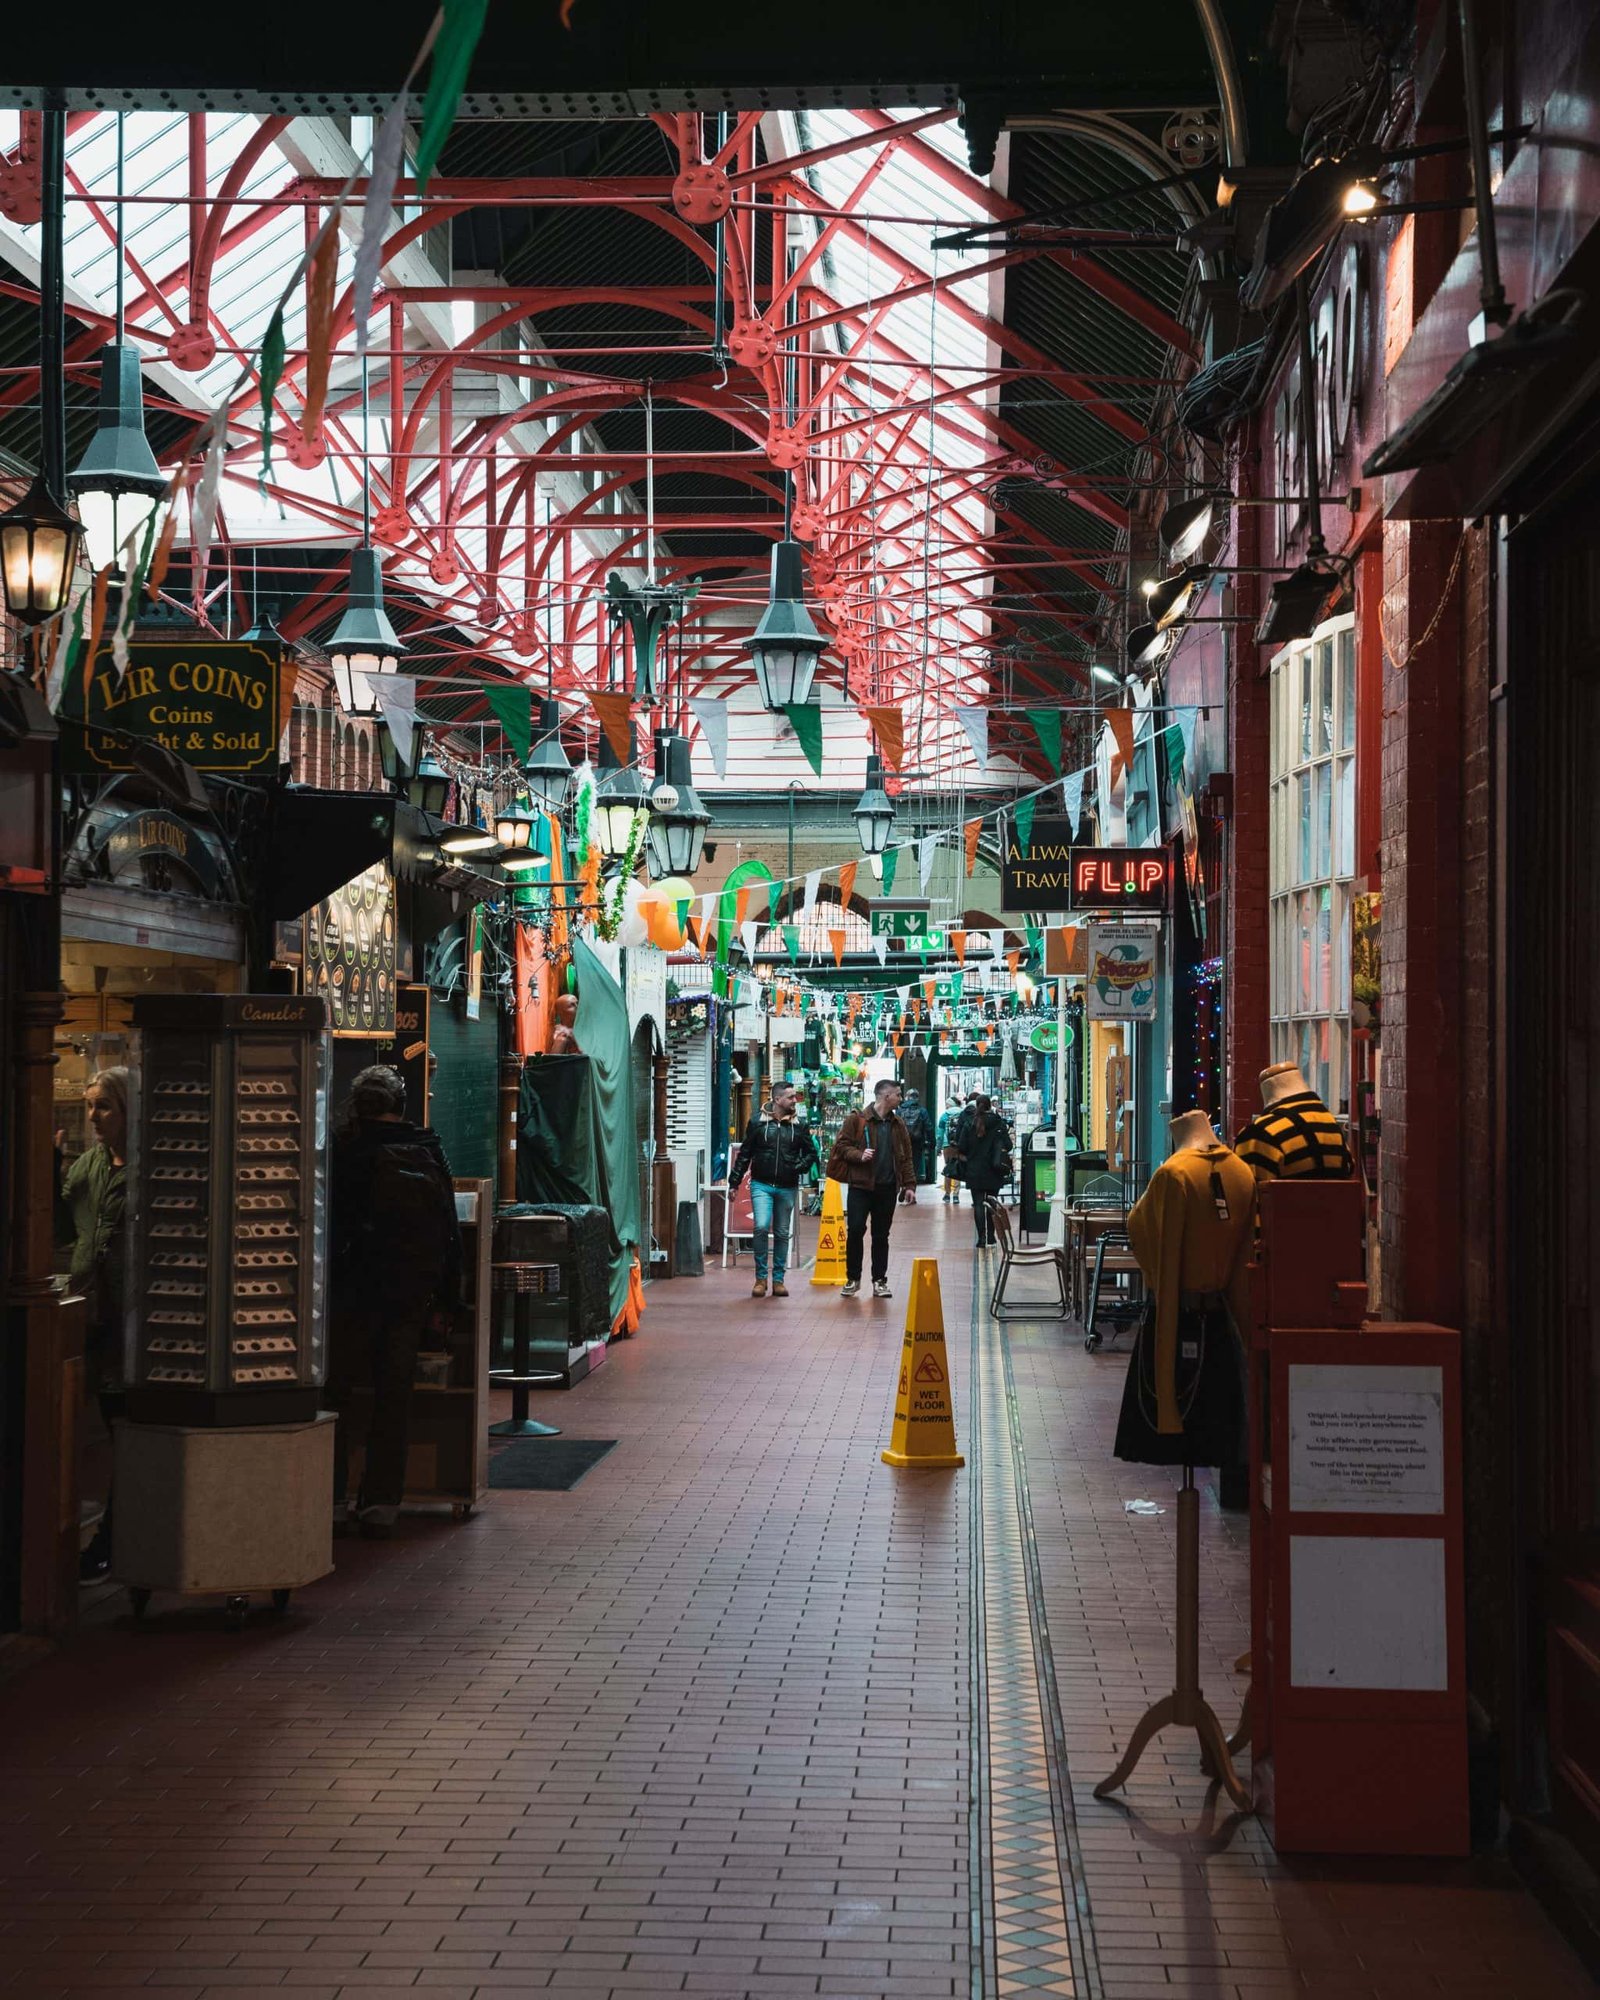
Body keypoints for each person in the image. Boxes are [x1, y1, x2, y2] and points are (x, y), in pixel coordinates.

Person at [324, 1065, 462, 1537]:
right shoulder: (427, 1147)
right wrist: (448, 1298)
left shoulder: (344, 1151)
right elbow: (448, 1229)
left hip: (351, 1293)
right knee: (393, 1400)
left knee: (336, 1397)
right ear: (401, 1105)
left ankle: (331, 1498)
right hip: (408, 1295)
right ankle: (383, 1501)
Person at [55, 1067, 130, 1582]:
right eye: (89, 1105)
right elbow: (59, 1222)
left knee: (123, 1434)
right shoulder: (87, 1166)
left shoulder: (152, 1168)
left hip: (129, 1320)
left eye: (103, 1105)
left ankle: (112, 1539)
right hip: (90, 1314)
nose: (93, 1116)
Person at [728, 1079, 820, 1299]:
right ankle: (761, 1278)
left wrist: (796, 1167)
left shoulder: (799, 1125)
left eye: (795, 1096)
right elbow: (745, 1154)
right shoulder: (758, 1123)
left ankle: (778, 1279)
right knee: (760, 1226)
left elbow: (811, 1154)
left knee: (781, 1232)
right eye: (790, 1097)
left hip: (787, 1186)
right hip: (761, 1184)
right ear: (777, 1099)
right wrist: (734, 1182)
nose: (794, 1100)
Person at [826, 1077, 917, 1299]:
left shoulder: (898, 1124)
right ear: (886, 1096)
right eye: (898, 1094)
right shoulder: (857, 1120)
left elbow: (906, 1157)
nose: (901, 1098)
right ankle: (853, 1278)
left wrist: (909, 1184)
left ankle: (879, 1281)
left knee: (881, 1235)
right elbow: (841, 1147)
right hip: (860, 1186)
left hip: (886, 1188)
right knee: (855, 1230)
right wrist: (860, 1155)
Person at [951, 1093, 1012, 1246]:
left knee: (978, 1204)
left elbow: (962, 1147)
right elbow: (1009, 1145)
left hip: (974, 1170)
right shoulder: (998, 1122)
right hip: (994, 1170)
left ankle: (981, 1238)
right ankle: (991, 1237)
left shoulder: (970, 1123)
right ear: (990, 1105)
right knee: (991, 1204)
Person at [900, 1087, 936, 1185]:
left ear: (907, 1097)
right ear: (917, 1098)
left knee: (903, 1160)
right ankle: (911, 1182)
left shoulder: (900, 1110)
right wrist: (932, 1142)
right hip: (917, 1141)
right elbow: (929, 1127)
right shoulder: (922, 1111)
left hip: (902, 1141)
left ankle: (903, 1181)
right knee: (914, 1162)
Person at [936, 1093, 965, 1203]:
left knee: (948, 1168)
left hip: (947, 1145)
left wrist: (938, 1148)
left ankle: (947, 1194)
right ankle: (956, 1195)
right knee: (958, 1168)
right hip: (959, 1145)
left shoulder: (944, 1115)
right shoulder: (963, 1114)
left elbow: (940, 1134)